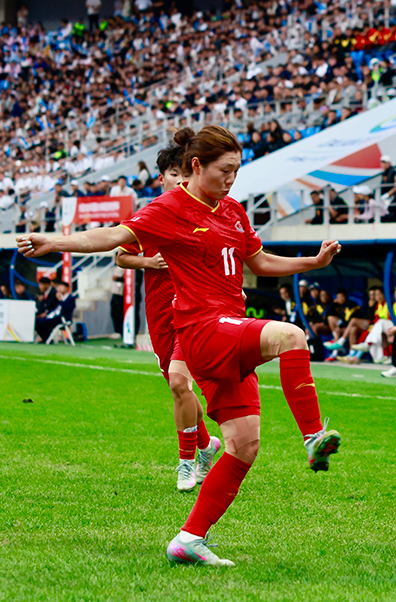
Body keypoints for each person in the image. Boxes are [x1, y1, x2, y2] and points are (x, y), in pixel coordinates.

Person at [17, 125, 342, 567]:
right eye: (224, 170)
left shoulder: (233, 211)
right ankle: (313, 437)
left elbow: (260, 263)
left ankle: (189, 539)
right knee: (292, 335)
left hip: (229, 326)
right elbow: (111, 238)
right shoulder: (170, 207)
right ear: (195, 166)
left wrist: (313, 261)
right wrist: (54, 241)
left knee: (243, 445)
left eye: (237, 170)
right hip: (203, 331)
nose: (231, 179)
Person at [115, 144, 221, 491]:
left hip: (192, 311)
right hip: (159, 313)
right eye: (173, 175)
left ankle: (186, 462)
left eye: (184, 174)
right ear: (161, 178)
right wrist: (149, 261)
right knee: (178, 388)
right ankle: (207, 445)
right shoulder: (151, 216)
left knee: (180, 383)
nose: (179, 181)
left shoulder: (202, 214)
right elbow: (121, 256)